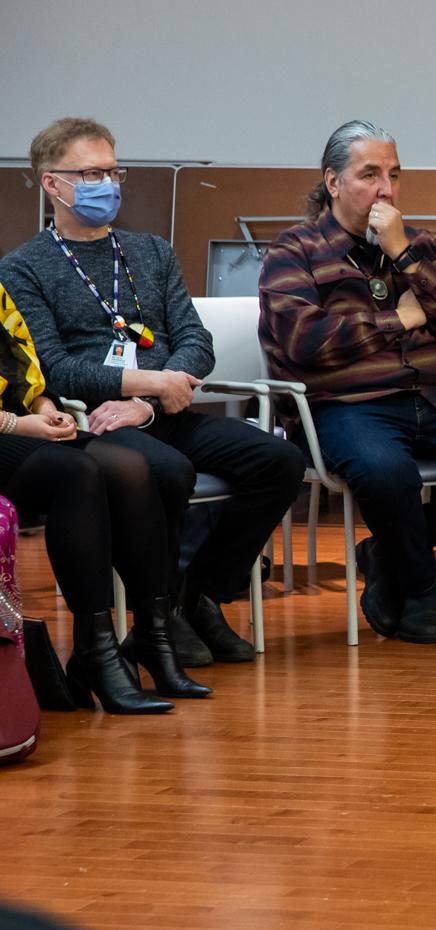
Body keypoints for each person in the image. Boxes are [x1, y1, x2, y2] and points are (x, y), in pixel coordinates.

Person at [0, 117, 304, 668]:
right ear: (52, 184)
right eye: (91, 173)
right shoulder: (23, 267)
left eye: (114, 171)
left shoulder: (151, 252)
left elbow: (194, 338)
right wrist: (147, 385)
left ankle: (200, 596)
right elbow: (54, 369)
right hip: (96, 422)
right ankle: (155, 619)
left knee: (278, 460)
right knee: (168, 471)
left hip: (158, 407)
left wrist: (154, 395)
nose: (108, 184)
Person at [258, 120, 436, 644]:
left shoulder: (420, 244)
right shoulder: (292, 251)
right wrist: (401, 320)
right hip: (347, 405)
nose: (385, 189)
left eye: (393, 175)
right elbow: (304, 340)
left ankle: (386, 551)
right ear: (333, 181)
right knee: (387, 471)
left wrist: (404, 255)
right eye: (369, 175)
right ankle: (419, 594)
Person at [0, 283, 200, 713]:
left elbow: (24, 369)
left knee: (129, 468)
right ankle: (96, 651)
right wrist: (18, 425)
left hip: (17, 426)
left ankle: (153, 637)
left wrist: (42, 409)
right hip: (4, 432)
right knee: (78, 472)